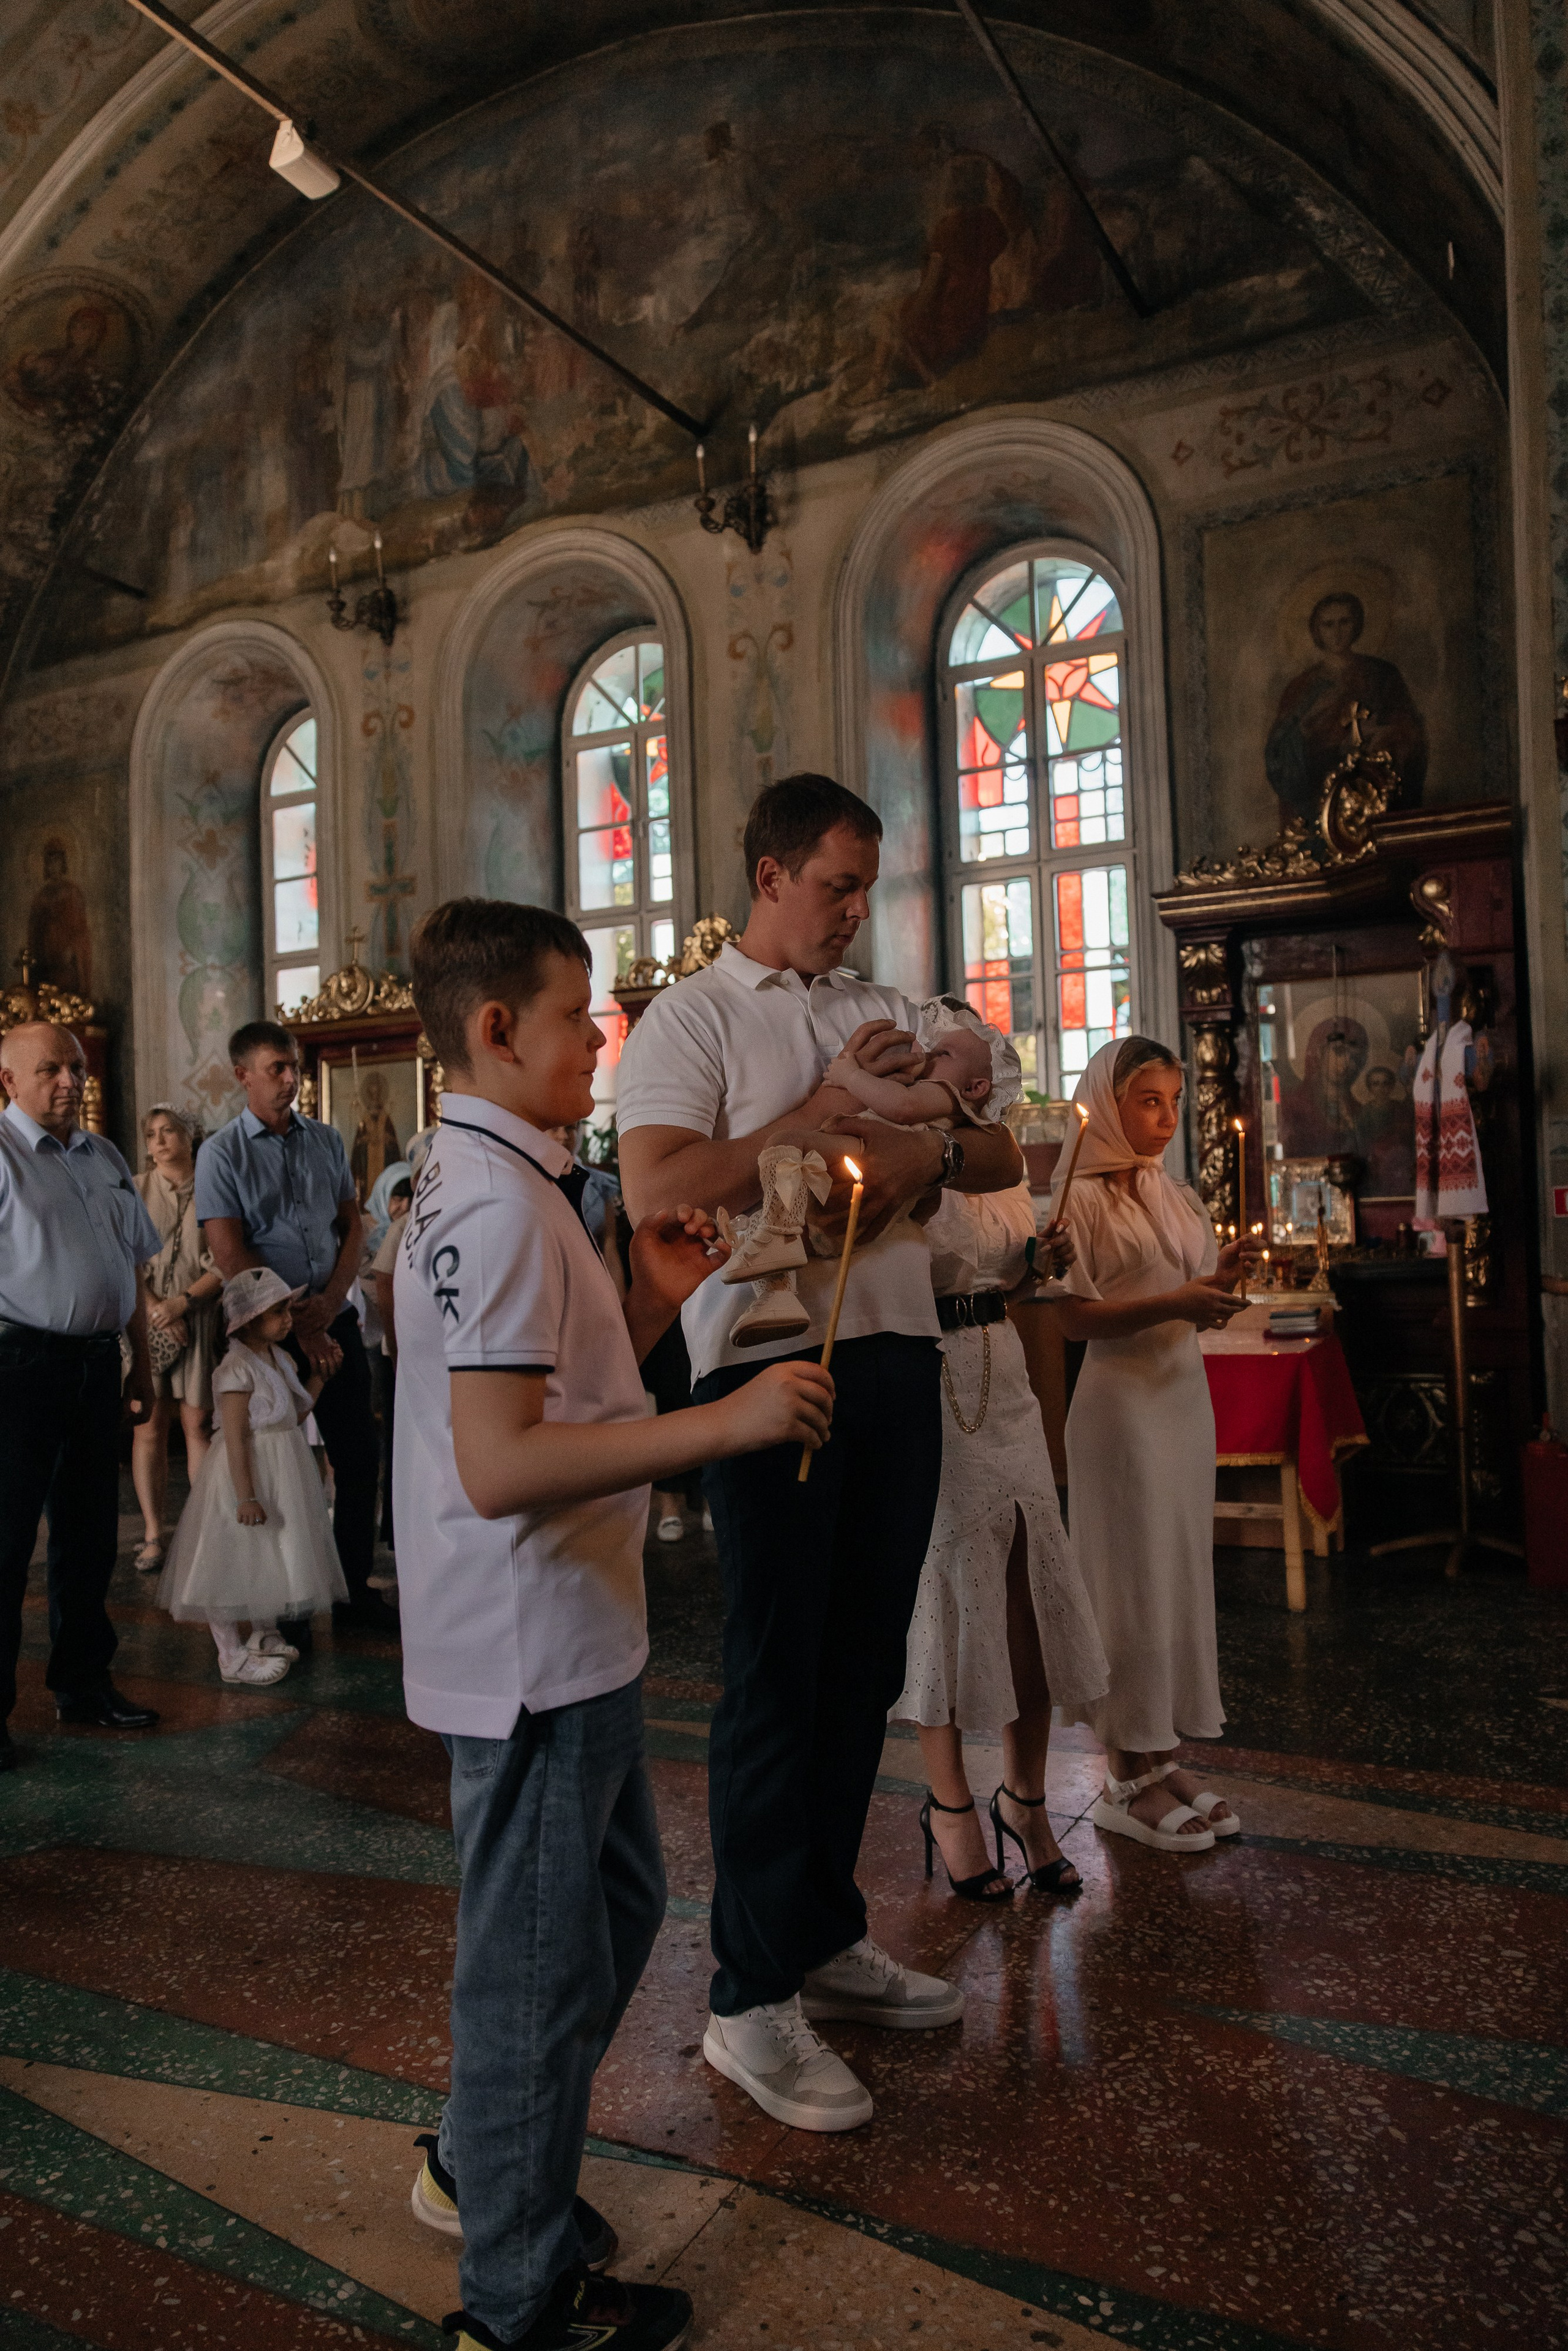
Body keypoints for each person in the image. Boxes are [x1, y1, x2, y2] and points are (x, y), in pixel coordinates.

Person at [393, 897, 834, 2351]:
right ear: (495, 1028)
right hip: (531, 1646)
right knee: (533, 1971)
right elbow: (502, 1462)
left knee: (612, 1915)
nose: (603, 1038)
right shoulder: (502, 1203)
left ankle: (491, 2159)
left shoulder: (498, 1181)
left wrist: (649, 1305)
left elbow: (555, 1400)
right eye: (580, 1014)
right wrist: (727, 1418)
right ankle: (517, 2302)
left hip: (564, 1630)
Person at [617, 772, 1024, 2133]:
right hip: (769, 1358)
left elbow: (993, 1143)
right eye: (837, 883)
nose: (856, 909)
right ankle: (744, 1995)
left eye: (867, 886)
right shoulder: (693, 1016)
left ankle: (820, 1934)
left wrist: (919, 1150)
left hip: (900, 1350)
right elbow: (663, 1186)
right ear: (771, 870)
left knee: (859, 1665)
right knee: (775, 1678)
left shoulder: (886, 1009)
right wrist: (825, 1119)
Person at [881, 1006, 1109, 1900]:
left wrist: (1033, 1261)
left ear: (981, 1085)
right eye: (935, 1052)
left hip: (1002, 1373)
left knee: (1028, 1597)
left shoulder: (1005, 1162)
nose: (934, 1063)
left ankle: (1027, 1796)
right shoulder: (905, 1148)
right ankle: (948, 1806)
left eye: (953, 1059)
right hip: (930, 1375)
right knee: (945, 1590)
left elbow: (1003, 1276)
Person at [1046, 1037, 1248, 1851]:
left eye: (1173, 1100)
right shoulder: (1078, 1201)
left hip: (1180, 1404)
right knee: (1129, 1584)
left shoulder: (1177, 1194)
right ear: (1110, 1101)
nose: (1166, 1118)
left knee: (1174, 1579)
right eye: (1148, 1101)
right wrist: (1177, 1303)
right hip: (1121, 1408)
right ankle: (1122, 1776)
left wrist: (1219, 1280)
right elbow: (1070, 1318)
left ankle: (1162, 1756)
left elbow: (1188, 1288)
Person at [195, 1021, 394, 1637]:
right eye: (276, 1068)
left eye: (293, 1068)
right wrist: (296, 1325)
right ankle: (289, 1606)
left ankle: (351, 1589)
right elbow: (232, 1255)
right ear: (242, 1076)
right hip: (270, 1335)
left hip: (330, 1319)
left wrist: (331, 1302)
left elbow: (352, 1223)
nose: (290, 1079)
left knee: (358, 1459)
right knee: (283, 1468)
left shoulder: (327, 1139)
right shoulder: (222, 1153)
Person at [0, 1022, 162, 1768]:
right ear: (10, 1081)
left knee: (91, 1535)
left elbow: (131, 1264)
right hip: (20, 1369)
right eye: (50, 1069)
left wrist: (142, 1363)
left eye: (76, 1066)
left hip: (100, 1365)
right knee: (6, 1545)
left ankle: (84, 1682)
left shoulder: (104, 1156)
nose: (69, 1080)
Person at [157, 1269, 348, 1686]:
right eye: (277, 1311)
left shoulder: (277, 1358)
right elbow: (238, 1437)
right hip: (246, 1473)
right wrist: (245, 1496)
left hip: (281, 1468)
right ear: (248, 1320)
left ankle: (265, 1633)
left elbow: (291, 1415)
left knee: (268, 1551)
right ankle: (230, 1654)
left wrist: (319, 1378)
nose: (288, 1318)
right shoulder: (235, 1369)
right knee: (227, 1558)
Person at [131, 1103, 224, 1571]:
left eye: (170, 1131)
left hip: (200, 1318)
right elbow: (125, 1258)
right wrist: (156, 1308)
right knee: (149, 1427)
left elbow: (225, 1260)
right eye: (152, 1134)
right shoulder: (136, 1188)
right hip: (148, 1320)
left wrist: (182, 1305)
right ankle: (152, 1534)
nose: (161, 1140)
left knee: (197, 1425)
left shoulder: (214, 1186)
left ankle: (208, 1531)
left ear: (192, 1136)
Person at [368, 1168, 413, 1555]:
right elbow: (383, 1286)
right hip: (387, 1348)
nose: (403, 1206)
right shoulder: (390, 1233)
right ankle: (398, 1531)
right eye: (396, 1198)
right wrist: (396, 1348)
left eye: (409, 1197)